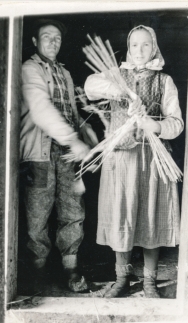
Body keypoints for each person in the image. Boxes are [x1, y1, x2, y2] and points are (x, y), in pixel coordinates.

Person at [84, 25, 184, 298]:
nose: (140, 51)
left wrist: (152, 124)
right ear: (129, 47)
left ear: (154, 47)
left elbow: (176, 124)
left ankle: (150, 281)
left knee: (151, 217)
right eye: (135, 45)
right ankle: (122, 279)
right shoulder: (117, 74)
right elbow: (90, 86)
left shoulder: (165, 81)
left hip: (154, 160)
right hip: (121, 158)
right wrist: (123, 93)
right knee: (122, 216)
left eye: (146, 45)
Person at [20, 19, 98, 292]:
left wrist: (86, 133)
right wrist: (72, 139)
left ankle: (71, 270)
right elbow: (41, 109)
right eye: (46, 37)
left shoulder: (64, 73)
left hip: (67, 154)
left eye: (57, 38)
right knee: (38, 215)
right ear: (34, 41)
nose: (53, 42)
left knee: (72, 211)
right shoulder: (30, 69)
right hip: (40, 153)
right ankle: (37, 273)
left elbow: (71, 113)